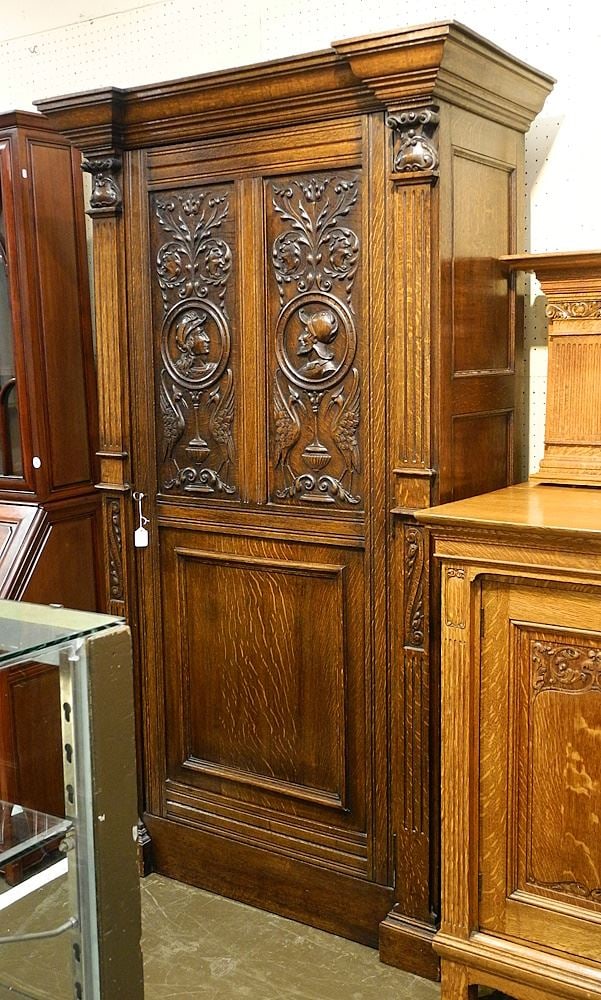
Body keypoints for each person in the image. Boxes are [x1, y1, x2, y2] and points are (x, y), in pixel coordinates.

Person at [296, 307, 339, 378]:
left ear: (314, 339)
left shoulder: (328, 369)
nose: (300, 338)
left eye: (306, 332)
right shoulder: (311, 366)